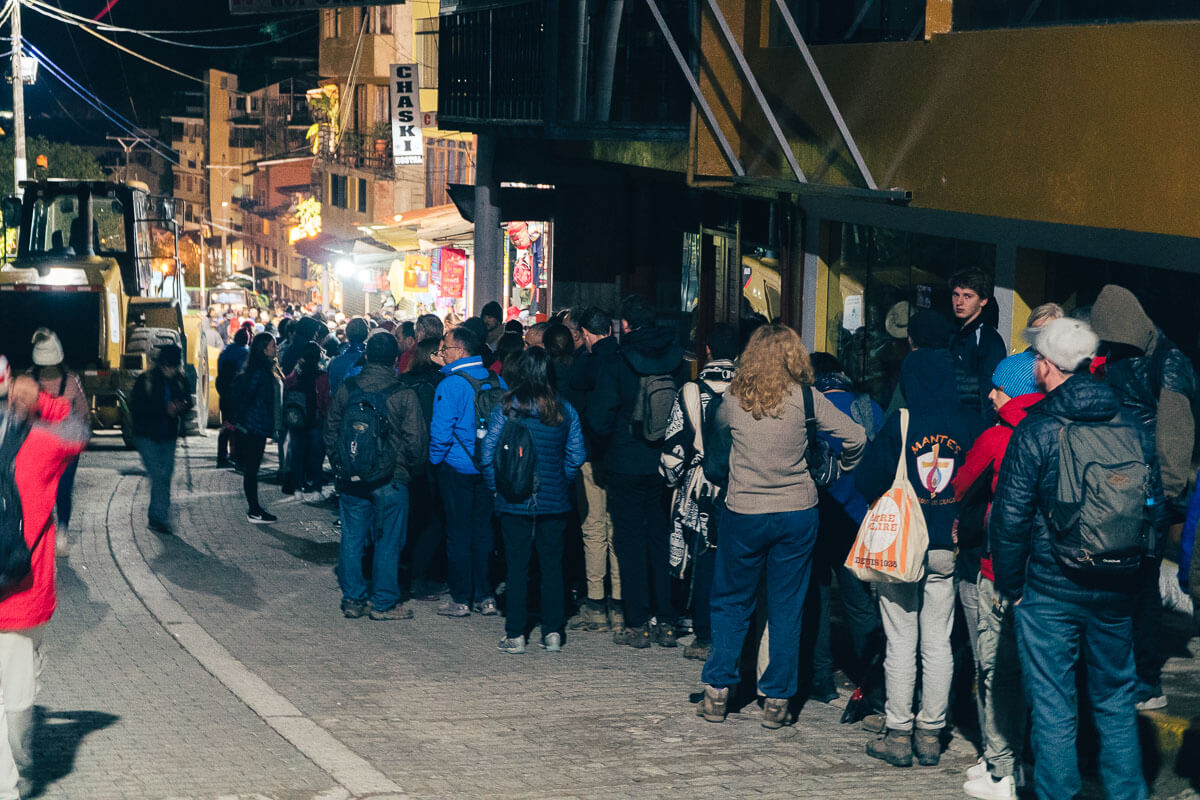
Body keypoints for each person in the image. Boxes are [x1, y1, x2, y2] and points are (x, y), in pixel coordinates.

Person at [991, 317, 1161, 800]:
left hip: (1049, 587)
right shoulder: (1132, 424)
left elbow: (1011, 517)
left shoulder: (1039, 428)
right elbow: (1156, 508)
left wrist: (1011, 587)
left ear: (1046, 365)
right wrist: (1135, 577)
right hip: (1116, 587)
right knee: (1114, 700)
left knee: (1052, 706)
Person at [695, 325, 865, 727]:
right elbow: (856, 436)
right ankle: (776, 700)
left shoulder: (734, 399)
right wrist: (841, 467)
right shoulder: (808, 398)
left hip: (745, 511)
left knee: (731, 602)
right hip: (796, 512)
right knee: (788, 606)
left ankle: (718, 690)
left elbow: (716, 451)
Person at [856, 310, 982, 768]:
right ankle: (932, 731)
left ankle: (898, 731)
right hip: (946, 545)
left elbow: (866, 481)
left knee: (900, 639)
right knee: (938, 640)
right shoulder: (968, 424)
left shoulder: (901, 424)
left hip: (902, 546)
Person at [1090, 283, 1198, 710]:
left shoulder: (1169, 364)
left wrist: (1161, 502)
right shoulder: (1118, 354)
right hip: (1116, 492)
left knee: (1141, 592)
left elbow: (1174, 441)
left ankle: (1146, 681)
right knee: (1119, 591)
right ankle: (1123, 674)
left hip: (1148, 498)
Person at [952, 351, 1042, 799]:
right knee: (1032, 675)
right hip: (1046, 571)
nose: (990, 394)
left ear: (1017, 393)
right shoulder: (1055, 429)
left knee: (996, 669)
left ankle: (1000, 770)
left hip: (999, 567)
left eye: (998, 388)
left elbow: (959, 485)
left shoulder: (999, 435)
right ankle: (1014, 763)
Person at [0, 366, 86, 800]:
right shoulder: (41, 443)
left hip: (16, 595)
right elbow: (79, 429)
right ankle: (11, 779)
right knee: (15, 695)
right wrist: (43, 403)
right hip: (21, 590)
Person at [587, 296, 684, 647]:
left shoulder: (617, 362)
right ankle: (668, 620)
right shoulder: (676, 360)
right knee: (660, 538)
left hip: (625, 462)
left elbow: (599, 419)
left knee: (629, 542)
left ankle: (638, 622)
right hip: (665, 463)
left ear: (625, 325)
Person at [482, 348, 586, 653]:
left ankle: (515, 634)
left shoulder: (506, 408)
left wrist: (496, 488)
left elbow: (487, 454)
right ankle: (553, 632)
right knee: (552, 567)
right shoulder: (564, 409)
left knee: (516, 567)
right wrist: (561, 479)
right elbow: (577, 455)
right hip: (554, 503)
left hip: (513, 500)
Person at [325, 332, 427, 620]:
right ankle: (383, 602)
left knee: (352, 538)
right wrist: (410, 470)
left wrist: (341, 465)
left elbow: (331, 430)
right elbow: (417, 442)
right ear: (396, 360)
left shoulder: (348, 388)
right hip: (392, 479)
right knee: (388, 541)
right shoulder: (403, 393)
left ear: (367, 356)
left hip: (351, 478)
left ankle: (353, 599)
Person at [805, 352, 885, 704]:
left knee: (817, 599)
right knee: (859, 604)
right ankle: (870, 679)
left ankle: (819, 678)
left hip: (817, 514)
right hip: (859, 517)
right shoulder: (872, 410)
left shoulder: (808, 411)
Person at [660, 323, 739, 663]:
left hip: (700, 487)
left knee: (705, 556)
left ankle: (705, 634)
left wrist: (671, 479)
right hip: (743, 484)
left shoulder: (691, 390)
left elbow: (674, 448)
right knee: (737, 560)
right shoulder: (751, 389)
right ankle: (735, 635)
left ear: (707, 350)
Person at [429, 326, 506, 617]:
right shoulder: (498, 380)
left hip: (457, 468)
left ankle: (460, 598)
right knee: (484, 532)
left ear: (460, 350)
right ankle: (485, 596)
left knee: (458, 534)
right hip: (489, 469)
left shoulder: (450, 385)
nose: (442, 353)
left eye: (445, 347)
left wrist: (435, 462)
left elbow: (441, 433)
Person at [567, 308, 623, 632]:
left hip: (590, 455)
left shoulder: (585, 366)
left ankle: (595, 604)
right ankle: (618, 604)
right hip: (620, 457)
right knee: (616, 530)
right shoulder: (624, 360)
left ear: (586, 333)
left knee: (593, 529)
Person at [26, 329, 88, 557]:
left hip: (37, 447)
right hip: (66, 445)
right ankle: (61, 534)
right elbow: (83, 412)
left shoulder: (30, 380)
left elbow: (21, 413)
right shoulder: (71, 381)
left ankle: (39, 535)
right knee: (63, 490)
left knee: (38, 491)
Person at [129, 344, 194, 535]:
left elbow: (188, 402)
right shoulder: (146, 380)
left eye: (173, 367)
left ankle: (158, 515)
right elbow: (137, 408)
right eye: (167, 366)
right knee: (158, 473)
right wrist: (164, 409)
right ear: (161, 364)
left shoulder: (180, 380)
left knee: (165, 474)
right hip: (146, 436)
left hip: (168, 435)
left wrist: (181, 407)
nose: (170, 370)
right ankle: (158, 516)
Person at [400, 337, 447, 599]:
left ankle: (406, 571)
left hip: (404, 460)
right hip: (429, 460)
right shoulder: (438, 383)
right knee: (431, 518)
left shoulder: (404, 381)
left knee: (411, 518)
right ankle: (422, 576)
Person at [230, 333, 283, 524]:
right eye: (272, 345)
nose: (275, 348)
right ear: (263, 348)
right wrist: (244, 423)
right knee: (252, 470)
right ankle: (254, 511)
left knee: (252, 469)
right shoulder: (259, 373)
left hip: (255, 426)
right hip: (253, 427)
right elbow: (248, 399)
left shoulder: (261, 369)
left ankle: (255, 508)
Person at [948, 268, 1008, 420]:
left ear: (983, 300)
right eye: (956, 295)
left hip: (972, 421)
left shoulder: (989, 340)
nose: (959, 302)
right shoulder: (950, 332)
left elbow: (989, 389)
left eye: (968, 296)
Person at [283, 342, 330, 501]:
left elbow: (287, 384)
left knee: (297, 455)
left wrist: (297, 366)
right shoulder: (322, 376)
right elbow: (325, 400)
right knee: (316, 456)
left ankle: (297, 489)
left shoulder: (297, 374)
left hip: (297, 420)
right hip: (315, 421)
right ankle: (316, 489)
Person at [216, 328, 251, 469]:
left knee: (226, 425)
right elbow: (244, 374)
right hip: (237, 396)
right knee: (238, 426)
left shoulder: (225, 351)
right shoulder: (245, 352)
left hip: (224, 394)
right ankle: (238, 457)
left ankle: (221, 456)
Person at [328, 317, 368, 395]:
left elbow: (333, 388)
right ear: (366, 334)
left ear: (347, 334)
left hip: (341, 404)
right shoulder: (371, 359)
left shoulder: (336, 361)